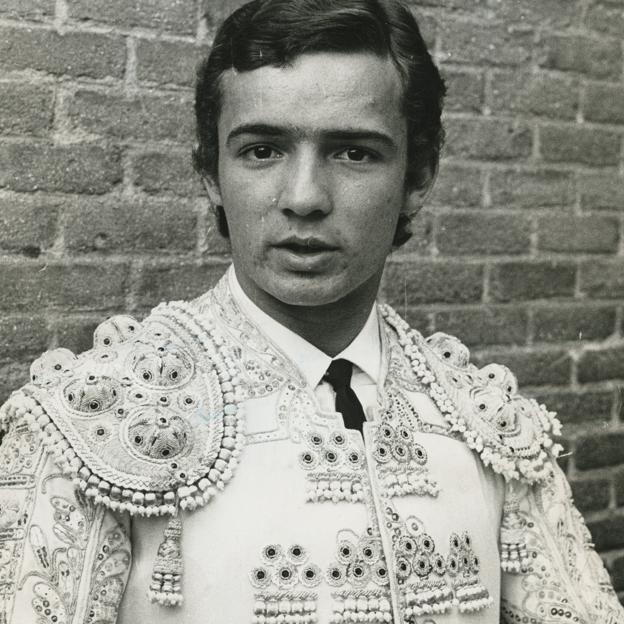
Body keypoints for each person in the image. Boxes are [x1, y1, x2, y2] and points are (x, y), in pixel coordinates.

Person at [1, 0, 622, 622]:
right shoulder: (89, 422)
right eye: (262, 150)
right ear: (212, 172)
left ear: (419, 176)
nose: (303, 198)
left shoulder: (490, 428)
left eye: (353, 153)